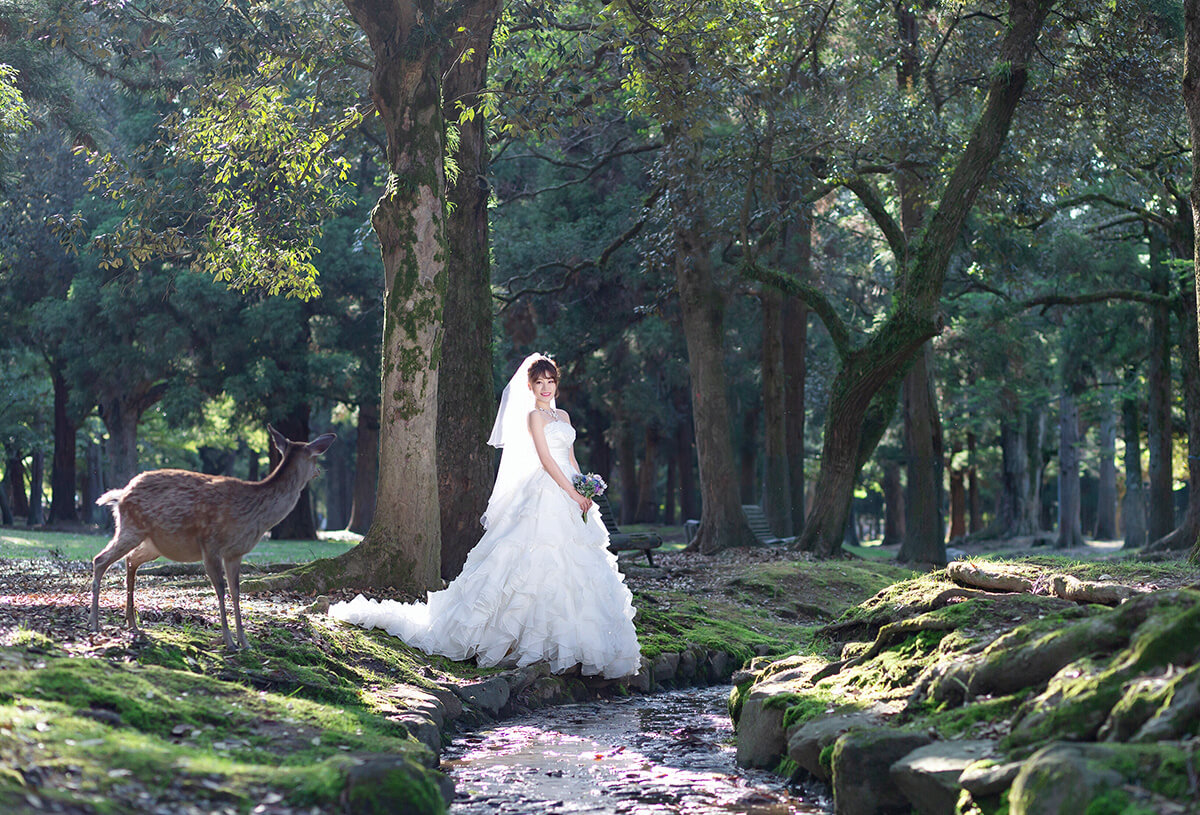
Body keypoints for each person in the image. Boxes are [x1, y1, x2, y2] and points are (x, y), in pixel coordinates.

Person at [330, 353, 641, 679]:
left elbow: (570, 459)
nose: (545, 387)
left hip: (571, 494)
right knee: (533, 565)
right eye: (539, 383)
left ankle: (573, 645)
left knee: (577, 568)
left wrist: (584, 489)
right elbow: (548, 461)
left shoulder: (564, 415)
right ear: (531, 387)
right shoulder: (534, 417)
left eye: (550, 382)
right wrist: (571, 492)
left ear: (556, 383)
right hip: (548, 490)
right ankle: (517, 642)